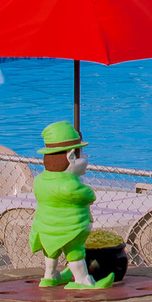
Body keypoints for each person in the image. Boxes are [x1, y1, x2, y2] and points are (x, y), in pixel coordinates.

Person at [29, 122, 115, 290]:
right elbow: (89, 195)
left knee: (51, 252)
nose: (86, 156)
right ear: (71, 157)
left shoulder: (39, 180)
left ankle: (50, 276)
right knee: (75, 254)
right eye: (82, 153)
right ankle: (82, 280)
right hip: (70, 229)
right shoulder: (71, 186)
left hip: (45, 228)